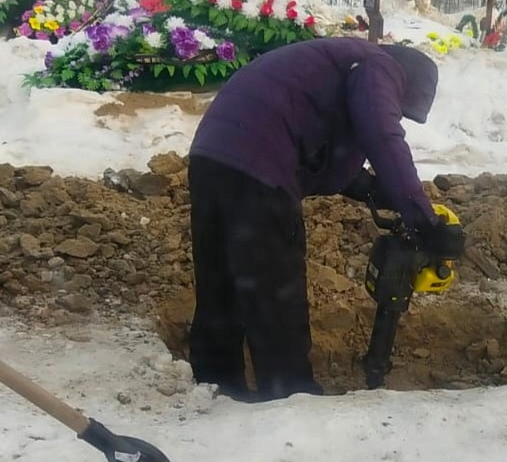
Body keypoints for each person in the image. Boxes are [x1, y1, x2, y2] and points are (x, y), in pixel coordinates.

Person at [186, 37, 464, 401]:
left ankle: (216, 390)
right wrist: (423, 219)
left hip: (211, 158)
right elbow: (381, 134)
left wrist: (369, 187)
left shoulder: (336, 65)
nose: (397, 111)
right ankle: (291, 404)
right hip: (259, 170)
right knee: (275, 298)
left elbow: (326, 151)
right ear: (404, 83)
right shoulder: (379, 66)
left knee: (220, 289)